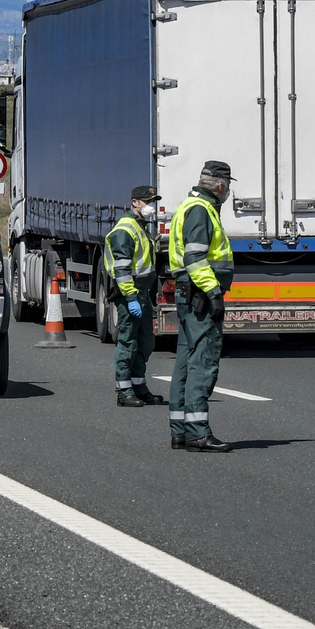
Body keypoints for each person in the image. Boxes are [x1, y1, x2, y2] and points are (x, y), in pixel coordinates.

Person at [168, 160, 235, 452]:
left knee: (185, 361)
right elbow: (196, 258)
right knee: (202, 363)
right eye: (228, 185)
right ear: (220, 185)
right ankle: (198, 432)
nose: (229, 191)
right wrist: (213, 293)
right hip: (200, 295)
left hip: (189, 294)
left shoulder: (190, 206)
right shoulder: (200, 210)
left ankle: (181, 430)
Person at [103, 185, 166, 407]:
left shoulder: (141, 226)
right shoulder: (125, 229)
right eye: (147, 201)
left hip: (142, 293)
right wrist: (129, 298)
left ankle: (139, 387)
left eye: (152, 201)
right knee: (128, 342)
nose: (151, 206)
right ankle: (124, 391)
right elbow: (121, 270)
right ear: (135, 202)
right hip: (130, 294)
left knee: (145, 342)